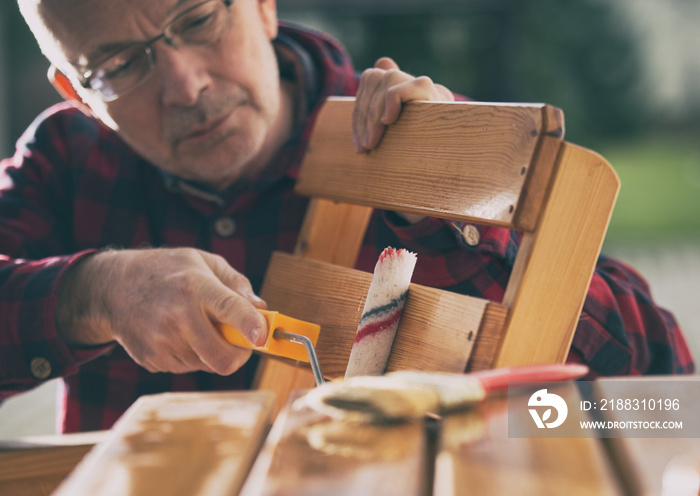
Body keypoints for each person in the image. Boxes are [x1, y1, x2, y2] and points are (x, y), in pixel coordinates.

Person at [0, 0, 693, 433]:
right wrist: (96, 294)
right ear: (77, 91)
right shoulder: (65, 159)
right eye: (121, 65)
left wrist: (453, 221)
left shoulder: (397, 136)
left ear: (263, 6)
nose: (187, 86)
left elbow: (666, 401)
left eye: (200, 20)